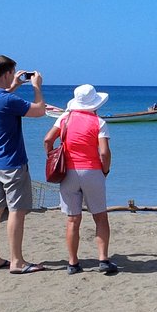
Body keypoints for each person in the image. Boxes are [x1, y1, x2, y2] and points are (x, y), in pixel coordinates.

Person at [0, 55, 46, 274]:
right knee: (17, 211)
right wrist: (36, 87)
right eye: (12, 73)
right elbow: (39, 110)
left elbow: (0, 102)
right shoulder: (7, 100)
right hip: (13, 164)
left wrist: (13, 87)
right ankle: (17, 261)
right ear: (6, 73)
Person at [43, 84, 118, 275]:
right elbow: (104, 152)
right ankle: (103, 259)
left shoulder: (64, 118)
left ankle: (73, 263)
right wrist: (105, 170)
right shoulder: (99, 122)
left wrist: (52, 157)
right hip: (92, 171)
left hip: (68, 172)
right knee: (100, 217)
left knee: (73, 219)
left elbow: (47, 140)